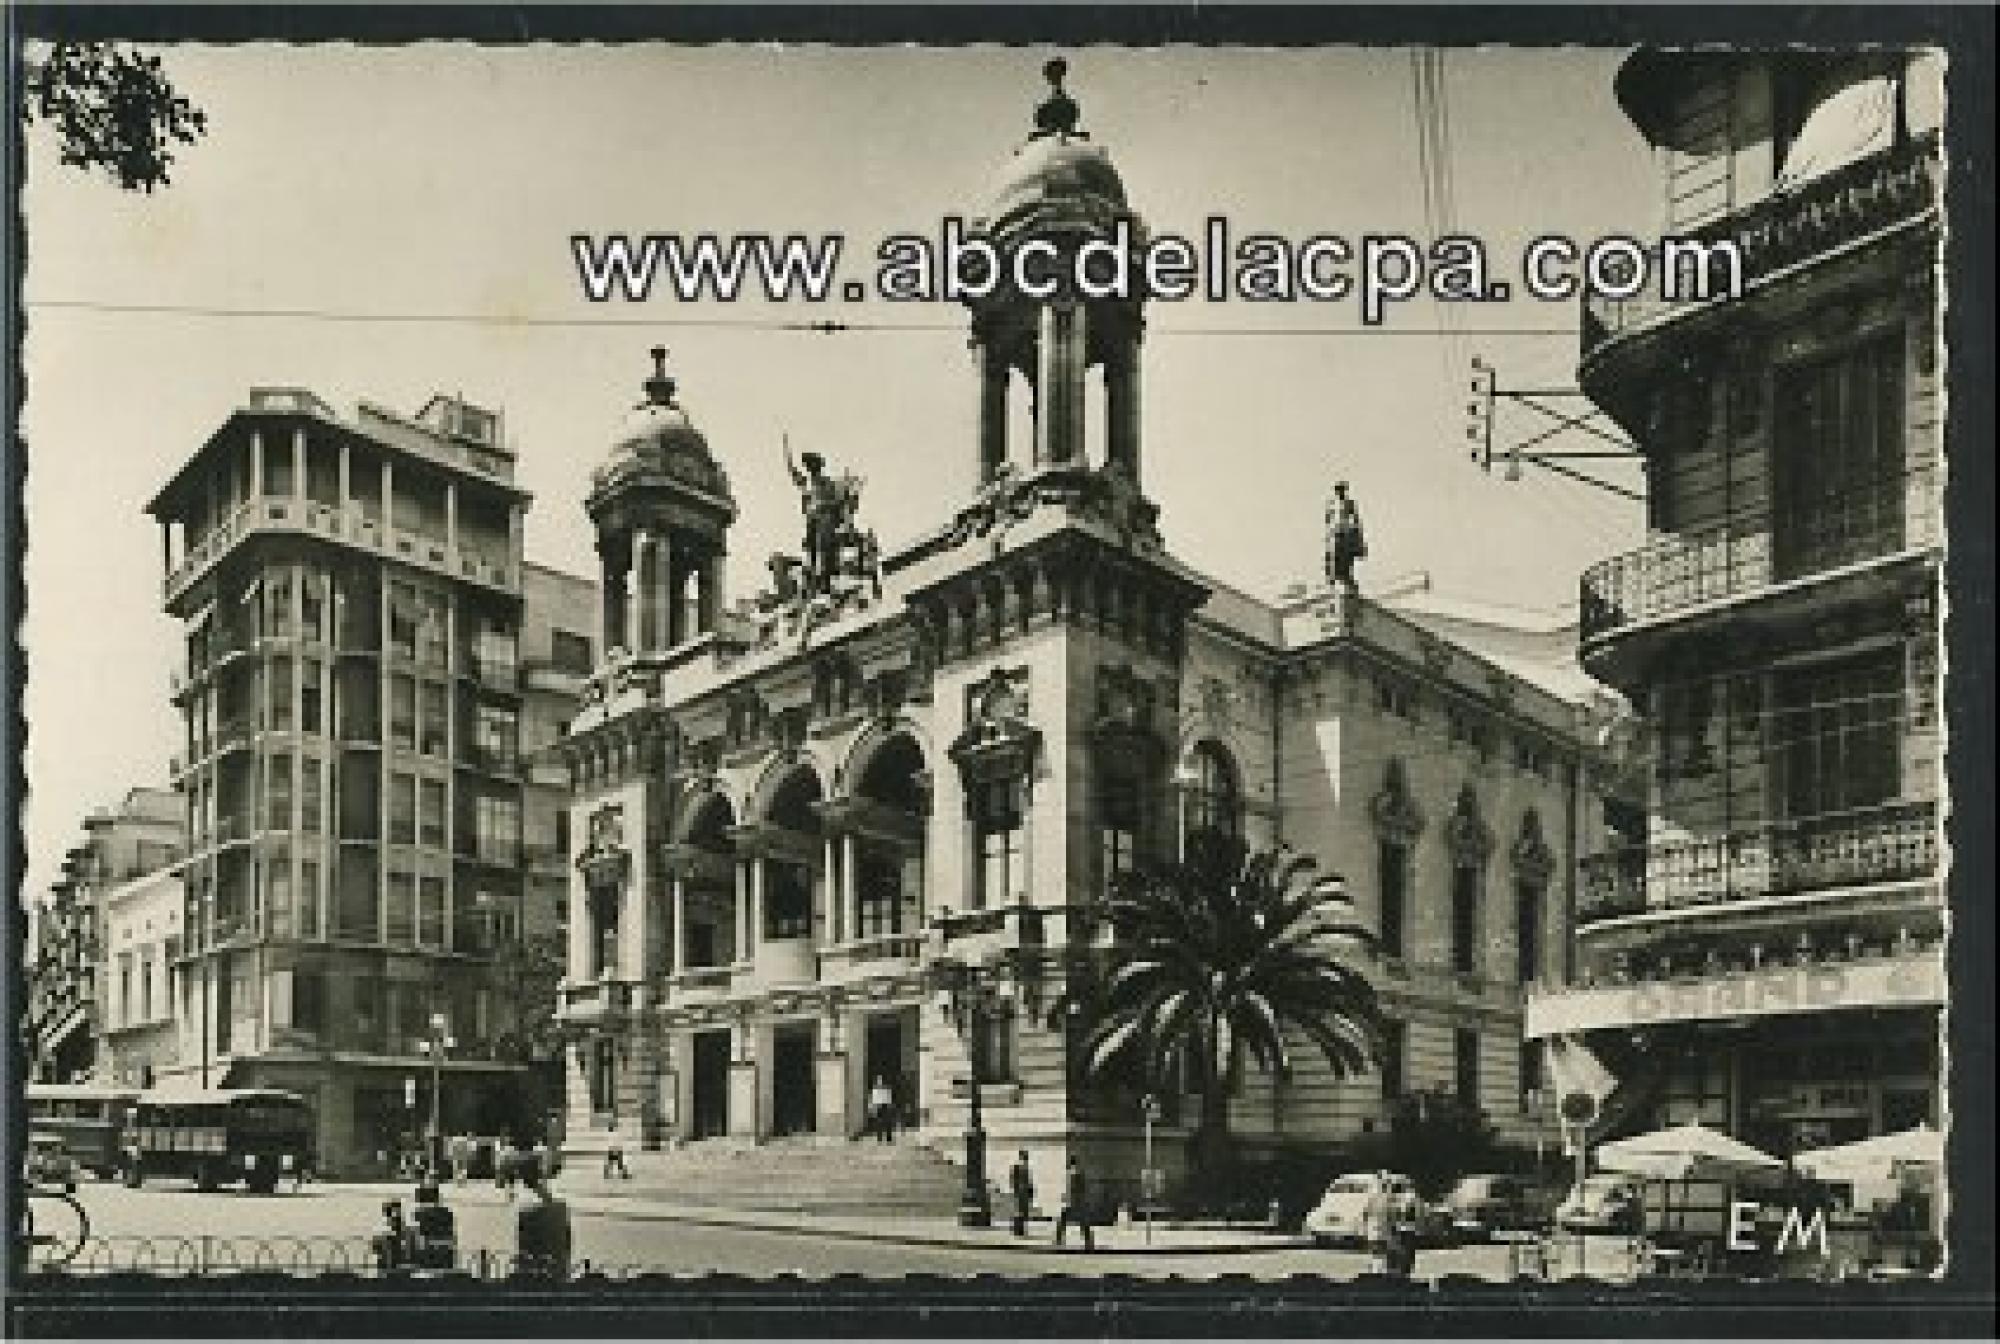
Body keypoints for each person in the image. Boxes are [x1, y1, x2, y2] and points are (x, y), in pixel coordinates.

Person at [784, 438, 846, 594]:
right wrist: (788, 455)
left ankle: (825, 579)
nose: (810, 468)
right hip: (813, 518)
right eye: (808, 466)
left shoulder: (827, 483)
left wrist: (828, 508)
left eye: (812, 465)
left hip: (824, 517)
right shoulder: (807, 482)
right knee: (812, 548)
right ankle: (814, 577)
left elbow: (837, 502)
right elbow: (793, 473)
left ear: (818, 467)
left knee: (824, 547)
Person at [514, 1170, 574, 1280]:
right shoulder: (559, 1209)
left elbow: (522, 1242)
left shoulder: (528, 1212)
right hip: (554, 1262)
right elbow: (567, 1236)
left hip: (541, 1262)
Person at [1325, 481, 1366, 591]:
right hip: (1336, 533)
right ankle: (1335, 579)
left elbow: (1356, 519)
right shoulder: (1331, 504)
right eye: (1338, 490)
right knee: (1335, 557)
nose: (1340, 492)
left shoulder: (1350, 503)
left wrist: (1359, 537)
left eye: (1342, 490)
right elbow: (1328, 521)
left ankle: (1348, 579)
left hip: (1348, 532)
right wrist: (1328, 536)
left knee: (1347, 557)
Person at [409, 1181, 458, 1271]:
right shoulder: (447, 1212)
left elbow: (418, 1238)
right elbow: (452, 1237)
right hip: (445, 1253)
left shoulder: (420, 1214)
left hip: (430, 1254)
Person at [1054, 1156, 1095, 1251]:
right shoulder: (1080, 1174)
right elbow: (1083, 1190)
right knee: (1083, 1224)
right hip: (1079, 1202)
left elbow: (1069, 1190)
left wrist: (1065, 1198)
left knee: (1062, 1222)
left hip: (1071, 1202)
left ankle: (1059, 1240)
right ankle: (1088, 1242)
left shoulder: (1069, 1175)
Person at [370, 1198, 413, 1273]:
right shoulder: (383, 1237)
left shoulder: (409, 1234)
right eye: (391, 1216)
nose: (394, 1219)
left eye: (397, 1215)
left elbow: (409, 1257)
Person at [1009, 1151, 1036, 1238]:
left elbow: (1012, 1180)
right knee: (1021, 1212)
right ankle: (1019, 1230)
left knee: (1019, 1212)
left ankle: (1018, 1230)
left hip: (1020, 1192)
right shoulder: (1023, 1168)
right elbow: (1028, 1182)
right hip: (1022, 1192)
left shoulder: (1018, 1167)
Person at [868, 1075, 895, 1144]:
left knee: (888, 1123)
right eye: (878, 1080)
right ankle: (879, 1138)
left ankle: (888, 1137)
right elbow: (873, 1100)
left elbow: (889, 1099)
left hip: (885, 1107)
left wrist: (889, 1107)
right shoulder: (875, 1090)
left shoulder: (886, 1090)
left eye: (880, 1080)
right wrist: (872, 1108)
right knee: (879, 1123)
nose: (879, 1082)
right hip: (878, 1107)